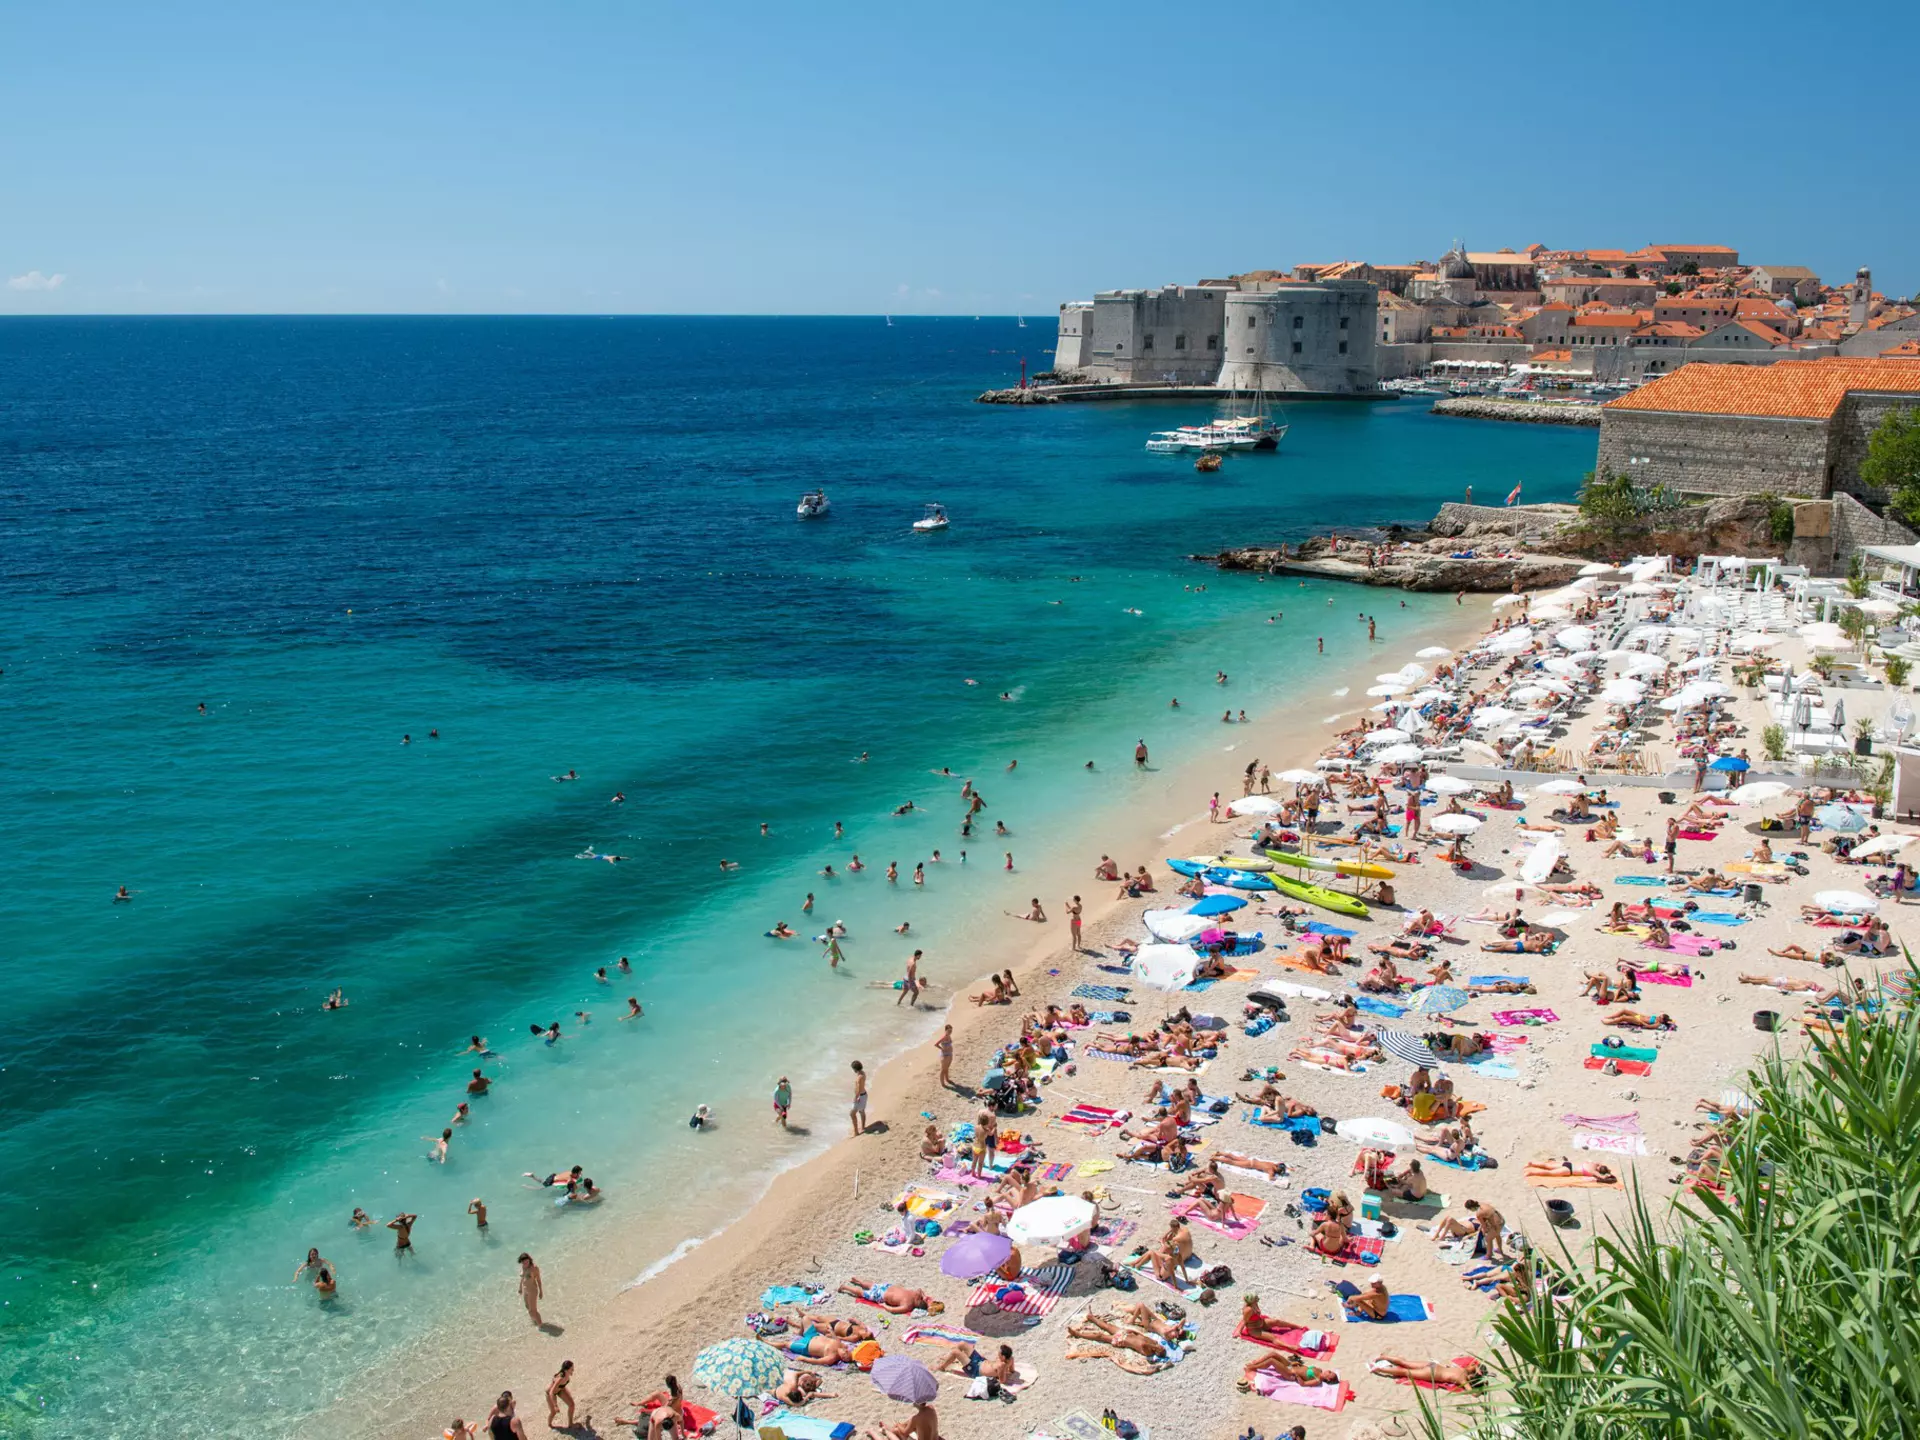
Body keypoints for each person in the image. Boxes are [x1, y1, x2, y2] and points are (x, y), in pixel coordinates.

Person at [1369, 1355, 1485, 1389]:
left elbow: (1475, 1365)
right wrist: (1481, 1389)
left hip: (1434, 1365)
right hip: (1432, 1374)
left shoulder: (1465, 1369)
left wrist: (1479, 1371)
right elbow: (1474, 1394)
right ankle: (1379, 1369)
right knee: (1404, 1372)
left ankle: (1384, 1356)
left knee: (1406, 1363)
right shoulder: (1463, 1379)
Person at [837, 1279, 939, 1315]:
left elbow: (920, 1290)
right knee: (862, 1293)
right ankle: (845, 1287)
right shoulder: (908, 1306)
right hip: (882, 1295)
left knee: (872, 1285)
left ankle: (858, 1280)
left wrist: (925, 1297)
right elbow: (893, 1310)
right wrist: (884, 1305)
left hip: (887, 1287)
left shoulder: (915, 1294)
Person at [546, 1361, 577, 1429]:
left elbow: (562, 1385)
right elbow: (551, 1392)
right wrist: (555, 1405)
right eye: (572, 1369)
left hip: (560, 1390)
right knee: (553, 1412)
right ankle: (549, 1424)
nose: (573, 1370)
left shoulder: (567, 1374)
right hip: (550, 1394)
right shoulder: (560, 1378)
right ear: (566, 1370)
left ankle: (570, 1424)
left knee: (572, 1405)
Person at [849, 1060, 868, 1136]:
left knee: (852, 1114)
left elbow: (859, 1089)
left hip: (861, 1096)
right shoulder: (862, 1073)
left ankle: (856, 1132)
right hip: (863, 1095)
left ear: (855, 1068)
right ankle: (863, 1127)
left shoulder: (859, 1077)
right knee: (861, 1111)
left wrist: (856, 1097)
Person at [934, 1024, 954, 1088]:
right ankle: (943, 1084)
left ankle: (947, 1079)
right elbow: (936, 1044)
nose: (950, 1032)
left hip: (950, 1053)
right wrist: (942, 1049)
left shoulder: (949, 1036)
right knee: (943, 1070)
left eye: (951, 1031)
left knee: (947, 1068)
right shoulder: (944, 1037)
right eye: (949, 1031)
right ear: (945, 1030)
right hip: (945, 1055)